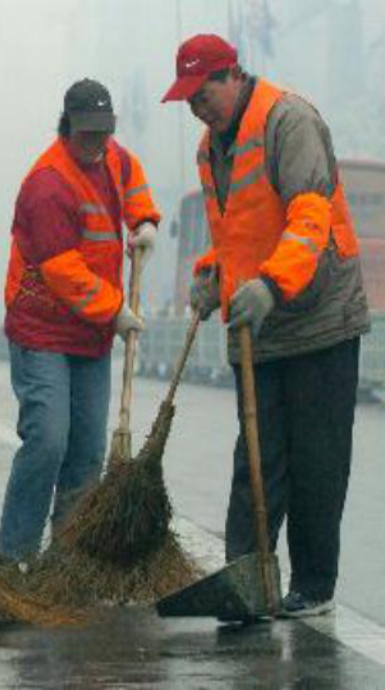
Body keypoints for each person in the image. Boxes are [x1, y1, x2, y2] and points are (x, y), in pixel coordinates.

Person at [162, 34, 369, 617]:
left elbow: (310, 214)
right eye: (189, 101)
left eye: (201, 95)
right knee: (256, 459)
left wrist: (273, 283)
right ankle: (244, 579)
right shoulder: (211, 149)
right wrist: (210, 275)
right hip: (260, 321)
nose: (197, 109)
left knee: (316, 459)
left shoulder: (289, 121)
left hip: (319, 315)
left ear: (230, 75)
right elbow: (231, 231)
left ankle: (314, 586)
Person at [0, 79, 160, 571]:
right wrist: (115, 311)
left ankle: (67, 560)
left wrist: (144, 220)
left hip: (89, 334)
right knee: (48, 439)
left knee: (87, 452)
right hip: (42, 328)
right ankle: (14, 556)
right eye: (87, 134)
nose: (96, 144)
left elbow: (132, 181)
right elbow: (62, 270)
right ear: (66, 126)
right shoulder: (47, 184)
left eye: (103, 133)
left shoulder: (114, 157)